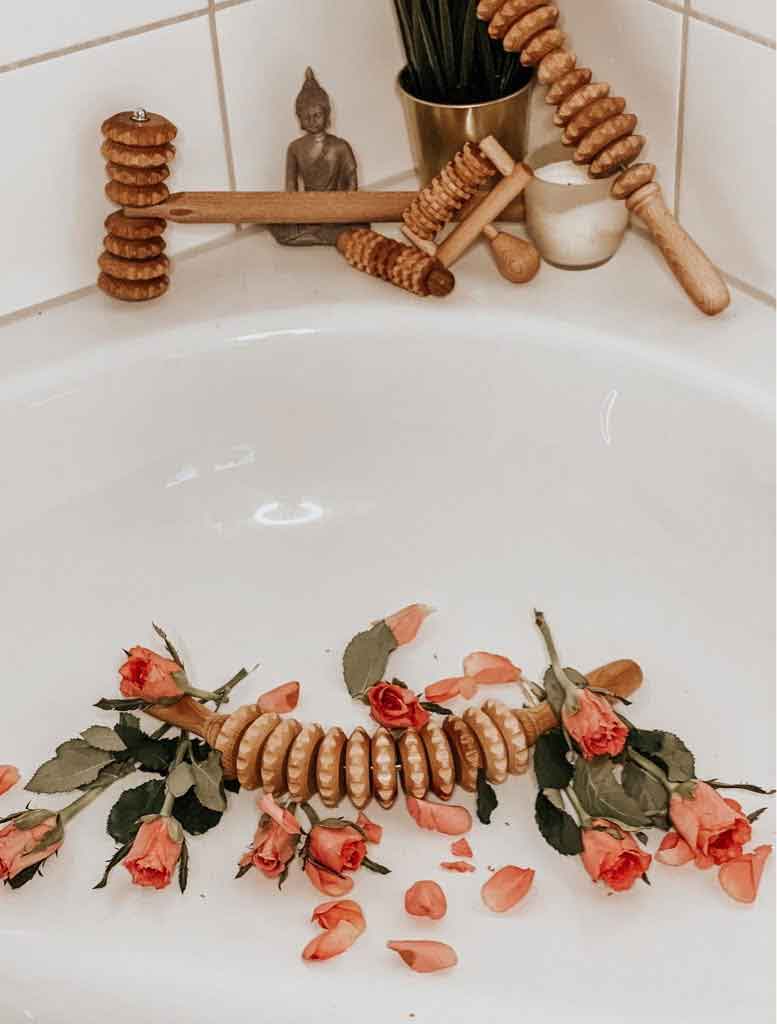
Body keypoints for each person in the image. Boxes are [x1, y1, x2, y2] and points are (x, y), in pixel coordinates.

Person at [270, 68, 364, 246]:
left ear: (327, 115)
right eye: (306, 117)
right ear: (299, 119)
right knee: (282, 227)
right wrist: (296, 211)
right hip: (309, 208)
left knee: (355, 226)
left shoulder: (340, 146)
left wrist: (347, 207)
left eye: (317, 115)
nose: (312, 120)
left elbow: (352, 181)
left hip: (336, 207)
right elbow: (291, 187)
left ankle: (329, 230)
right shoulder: (294, 148)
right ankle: (319, 231)